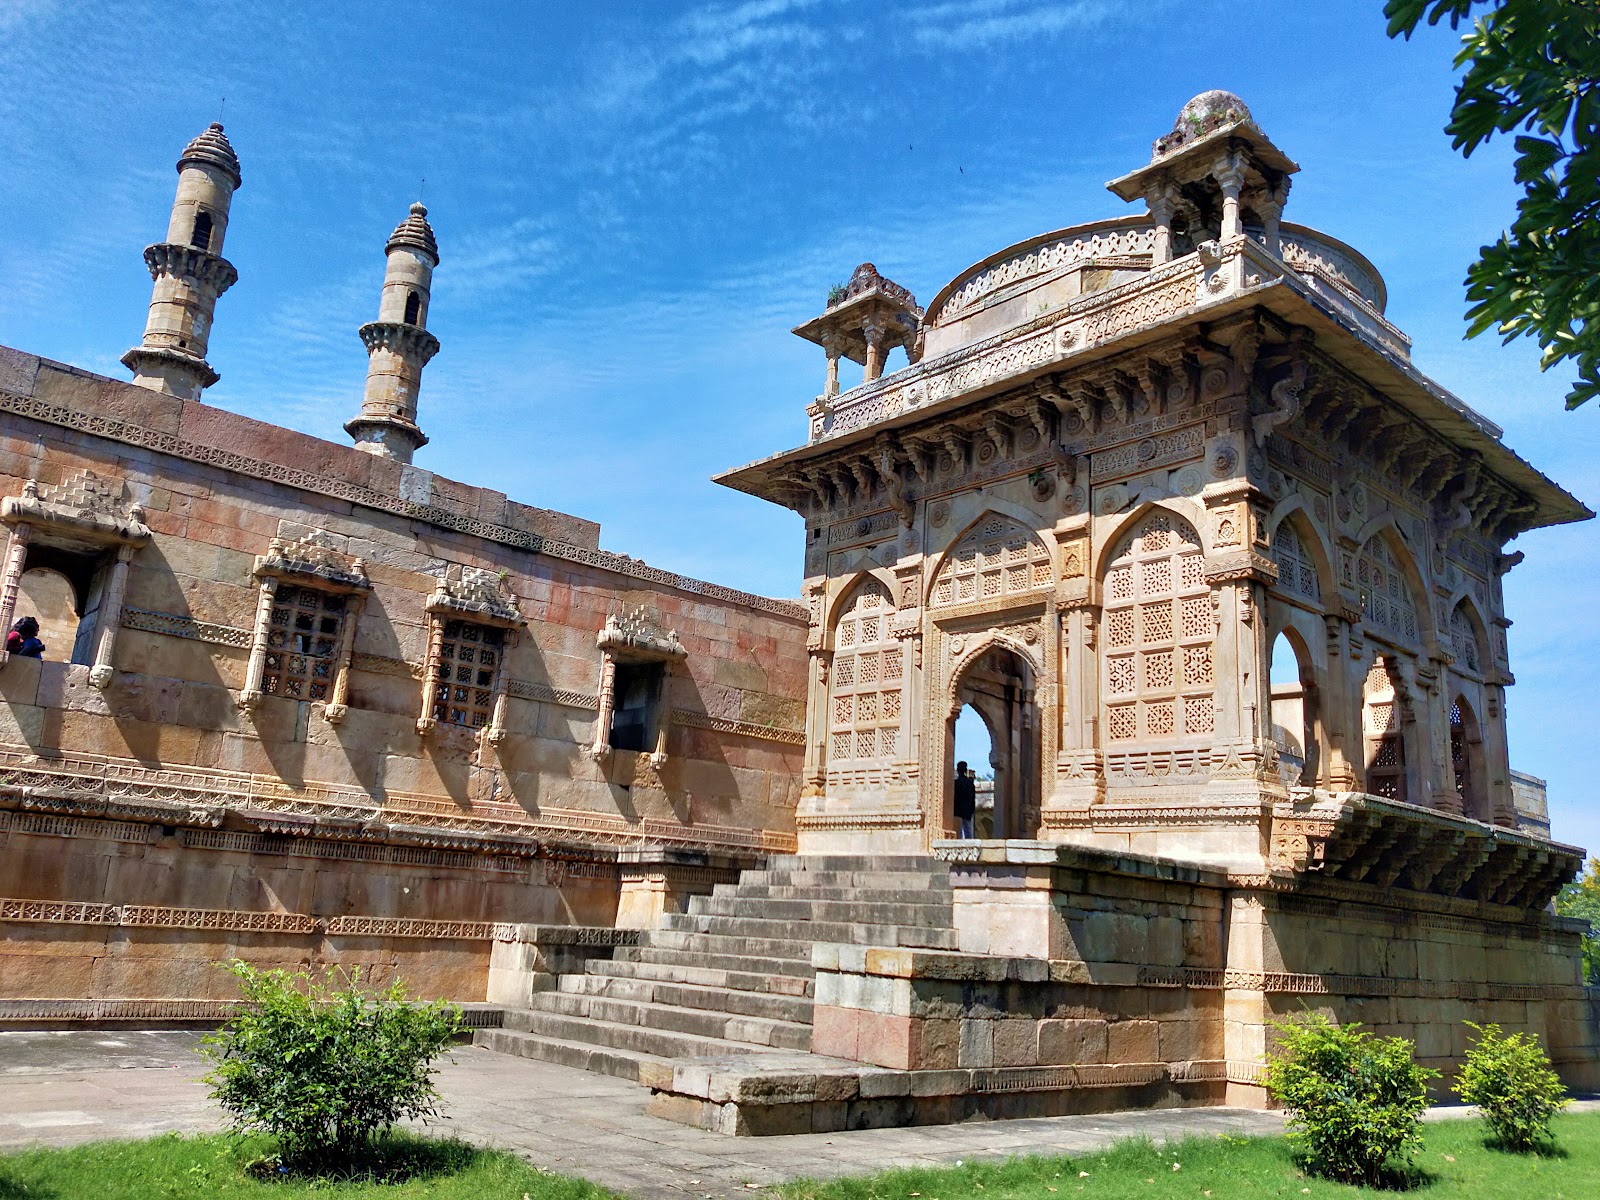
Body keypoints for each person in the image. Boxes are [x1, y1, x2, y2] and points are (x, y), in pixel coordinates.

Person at [953, 760, 976, 840]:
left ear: (958, 770)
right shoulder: (969, 783)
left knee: (958, 831)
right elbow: (972, 797)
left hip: (957, 811)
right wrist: (972, 809)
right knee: (968, 832)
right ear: (966, 770)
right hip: (967, 810)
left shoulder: (955, 783)